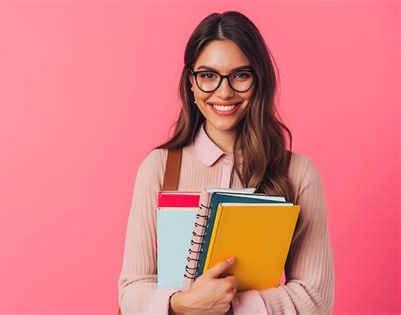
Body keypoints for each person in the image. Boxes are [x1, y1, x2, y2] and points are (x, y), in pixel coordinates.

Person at [118, 10, 335, 315]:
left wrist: (231, 305)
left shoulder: (297, 174)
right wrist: (183, 304)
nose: (224, 91)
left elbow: (316, 298)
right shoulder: (158, 168)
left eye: (240, 75)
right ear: (191, 83)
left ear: (259, 80)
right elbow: (131, 290)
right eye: (208, 76)